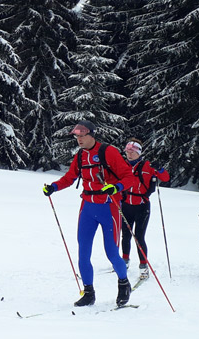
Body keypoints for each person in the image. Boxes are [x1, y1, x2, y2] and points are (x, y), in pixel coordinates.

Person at [42, 120, 137, 307]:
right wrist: (54, 187)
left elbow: (129, 177)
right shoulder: (80, 156)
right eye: (76, 136)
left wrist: (116, 187)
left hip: (109, 207)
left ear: (92, 134)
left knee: (111, 253)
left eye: (82, 135)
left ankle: (123, 283)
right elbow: (70, 177)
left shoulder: (108, 152)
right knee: (83, 253)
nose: (79, 139)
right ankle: (89, 292)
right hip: (87, 207)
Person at [119, 138, 170, 279]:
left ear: (139, 153)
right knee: (126, 235)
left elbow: (165, 178)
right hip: (126, 204)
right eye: (127, 152)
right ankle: (124, 261)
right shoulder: (123, 165)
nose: (129, 154)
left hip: (142, 206)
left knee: (139, 236)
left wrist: (159, 168)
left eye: (132, 152)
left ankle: (143, 267)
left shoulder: (148, 166)